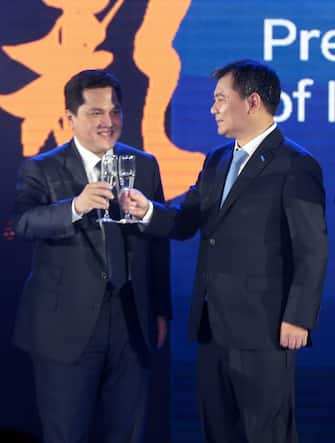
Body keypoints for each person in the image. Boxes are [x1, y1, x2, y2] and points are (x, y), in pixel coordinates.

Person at [120, 60, 328, 443]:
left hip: (264, 329)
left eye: (220, 99)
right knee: (218, 430)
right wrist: (145, 210)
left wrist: (299, 317)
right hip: (211, 324)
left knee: (266, 432)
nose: (213, 108)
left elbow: (312, 249)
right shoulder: (216, 160)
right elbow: (185, 222)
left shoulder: (296, 165)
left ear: (251, 102)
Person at [13, 69, 171, 443]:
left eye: (115, 112)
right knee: (66, 433)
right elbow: (22, 222)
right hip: (64, 327)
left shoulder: (144, 164)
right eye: (96, 113)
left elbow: (158, 243)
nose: (108, 122)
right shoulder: (43, 166)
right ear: (71, 117)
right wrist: (75, 206)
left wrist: (162, 309)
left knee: (129, 432)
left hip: (132, 321)